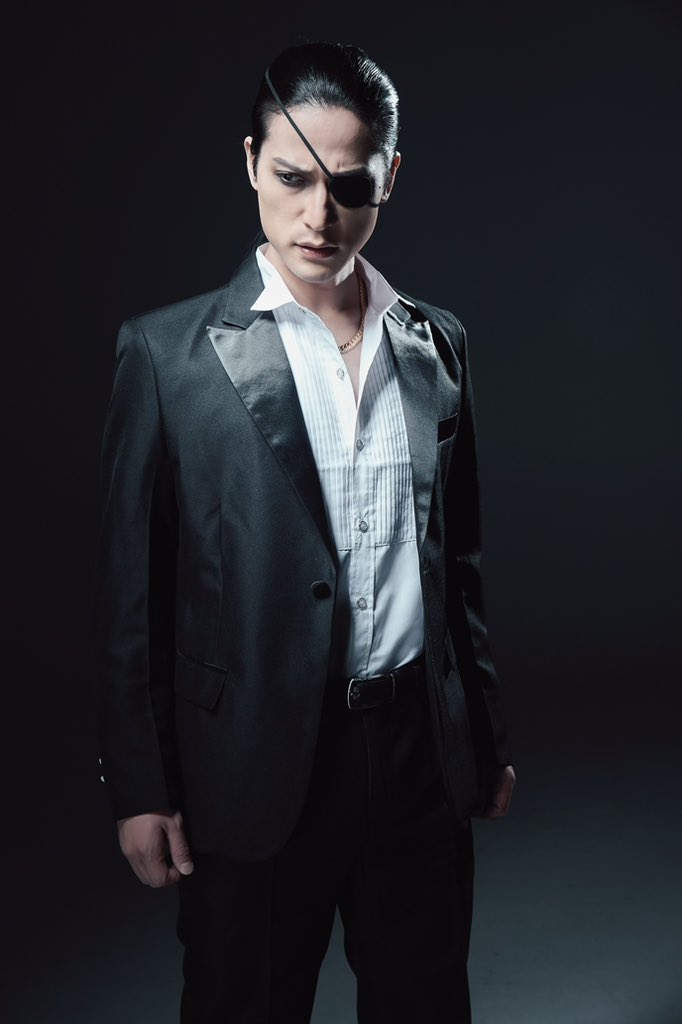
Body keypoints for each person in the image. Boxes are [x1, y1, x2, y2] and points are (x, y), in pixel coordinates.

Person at [93, 40, 515, 1024]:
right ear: (251, 163)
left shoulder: (437, 343)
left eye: (349, 185)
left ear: (389, 178)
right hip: (248, 767)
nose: (319, 216)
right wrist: (139, 785)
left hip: (416, 760)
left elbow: (456, 564)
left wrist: (482, 736)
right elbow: (131, 592)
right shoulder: (166, 356)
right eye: (292, 178)